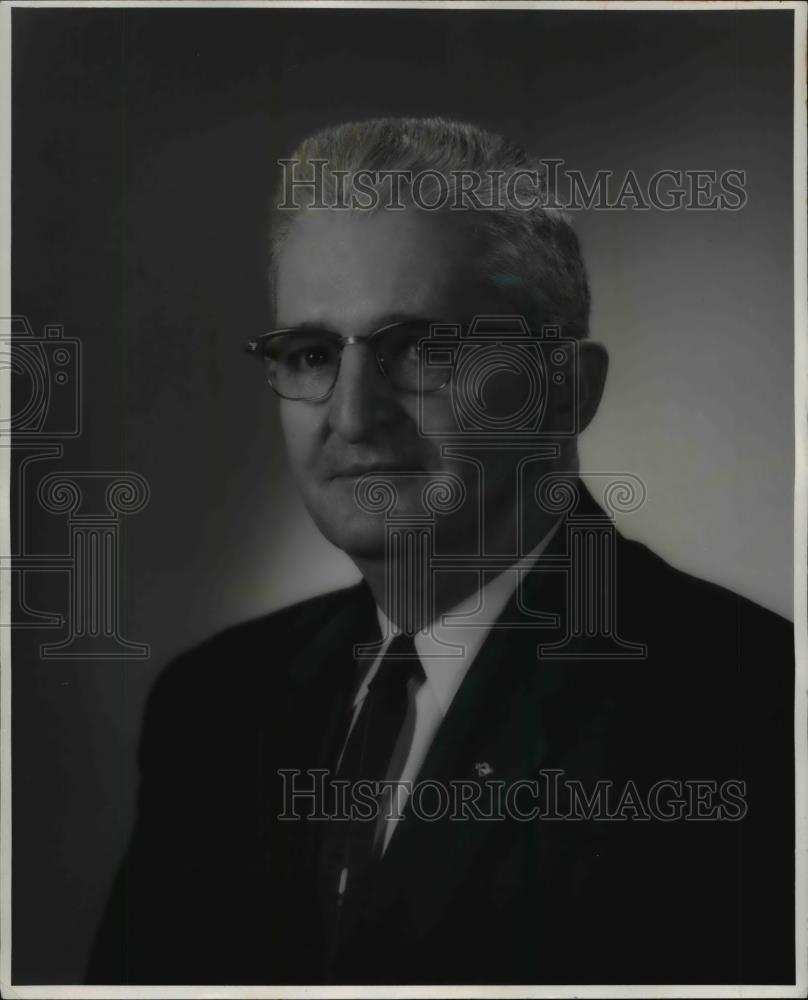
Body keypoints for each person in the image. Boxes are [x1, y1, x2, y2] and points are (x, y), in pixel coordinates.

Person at [88, 118, 794, 986]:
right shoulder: (213, 706)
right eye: (310, 354)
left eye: (421, 348)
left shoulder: (750, 706)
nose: (353, 415)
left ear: (566, 390)